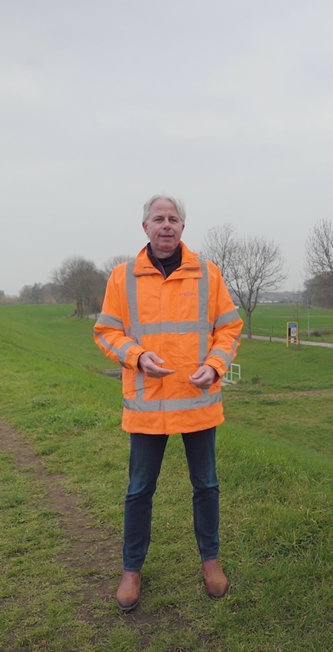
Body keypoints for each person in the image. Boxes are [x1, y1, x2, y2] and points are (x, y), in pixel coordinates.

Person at [93, 194, 243, 612]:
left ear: (182, 227)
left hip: (197, 401)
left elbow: (229, 328)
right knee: (139, 490)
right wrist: (137, 356)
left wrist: (215, 366)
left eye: (173, 219)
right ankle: (131, 569)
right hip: (148, 404)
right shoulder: (121, 278)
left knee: (206, 486)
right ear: (144, 227)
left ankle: (210, 562)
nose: (166, 225)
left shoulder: (208, 274)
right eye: (158, 219)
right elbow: (106, 332)